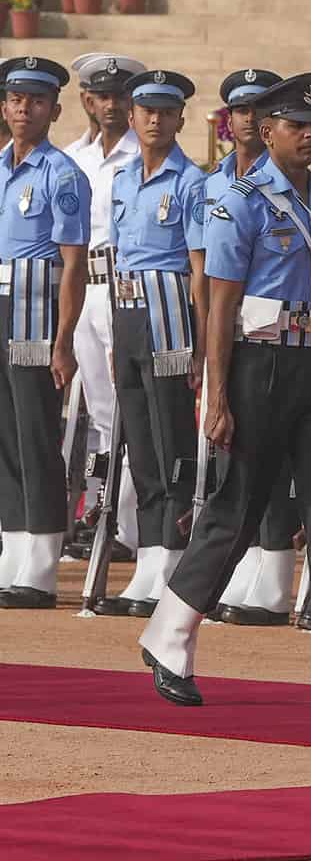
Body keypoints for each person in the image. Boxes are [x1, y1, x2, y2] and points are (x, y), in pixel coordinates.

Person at [139, 74, 311, 716]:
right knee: (237, 507)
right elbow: (220, 306)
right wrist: (217, 395)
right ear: (265, 130)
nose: (307, 134)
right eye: (292, 124)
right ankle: (171, 632)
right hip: (259, 364)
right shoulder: (240, 202)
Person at [97, 71, 206, 617]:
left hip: (170, 317)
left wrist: (202, 345)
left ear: (180, 118)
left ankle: (171, 560)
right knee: (140, 446)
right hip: (130, 314)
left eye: (166, 112)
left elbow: (201, 270)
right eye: (147, 111)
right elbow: (119, 259)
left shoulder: (191, 183)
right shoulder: (122, 179)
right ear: (132, 116)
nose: (156, 120)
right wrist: (119, 334)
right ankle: (147, 562)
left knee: (170, 445)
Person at [204, 69, 301, 627]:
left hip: (287, 343)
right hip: (236, 338)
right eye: (237, 111)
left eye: (253, 110)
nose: (244, 120)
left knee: (275, 464)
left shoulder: (308, 190)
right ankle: (241, 568)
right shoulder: (216, 185)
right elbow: (209, 283)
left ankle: (270, 565)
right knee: (237, 467)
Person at [0, 56, 90, 607]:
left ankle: (41, 557)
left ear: (54, 110)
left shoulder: (63, 175)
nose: (22, 110)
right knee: (5, 433)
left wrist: (63, 339)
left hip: (36, 307)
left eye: (34, 101)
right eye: (14, 99)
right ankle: (12, 546)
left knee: (36, 433)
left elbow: (73, 264)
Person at [66, 54, 142, 561]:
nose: (111, 104)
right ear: (87, 100)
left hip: (127, 287)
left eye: (120, 95)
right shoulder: (74, 156)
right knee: (97, 413)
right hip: (85, 286)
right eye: (102, 95)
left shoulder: (145, 154)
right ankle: (98, 511)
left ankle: (129, 526)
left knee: (132, 409)